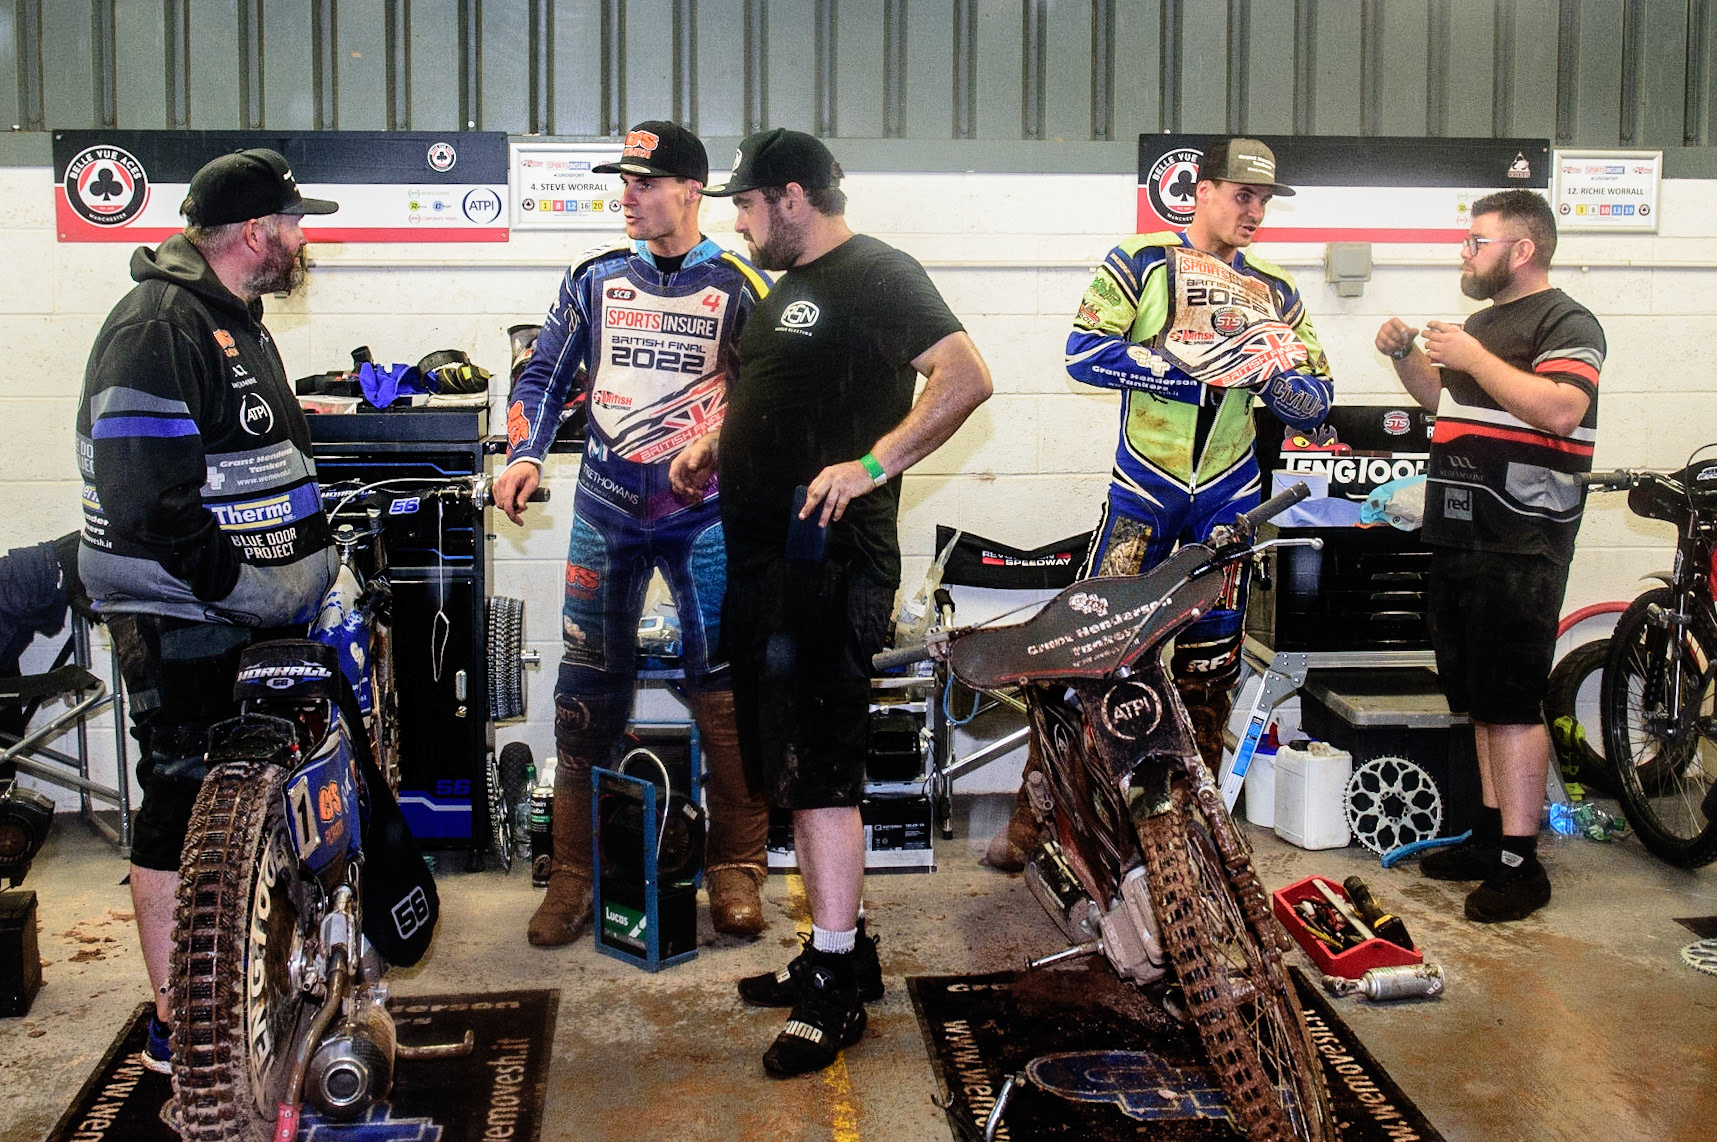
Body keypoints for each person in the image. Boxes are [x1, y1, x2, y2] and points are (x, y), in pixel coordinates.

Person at [672, 128, 992, 1077]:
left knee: (821, 775)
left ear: (793, 195)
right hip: (766, 566)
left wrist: (870, 464)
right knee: (795, 768)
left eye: (745, 203)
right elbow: (775, 394)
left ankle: (835, 985)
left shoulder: (879, 273)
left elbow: (967, 377)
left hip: (830, 566)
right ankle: (834, 952)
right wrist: (712, 443)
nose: (736, 220)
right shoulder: (787, 293)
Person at [986, 137, 1334, 871]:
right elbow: (1083, 351)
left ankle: (1195, 829)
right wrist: (1189, 368)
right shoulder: (1138, 259)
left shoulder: (1278, 290)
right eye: (1241, 194)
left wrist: (1272, 381)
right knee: (1088, 658)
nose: (1255, 210)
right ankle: (1036, 815)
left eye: (1265, 199)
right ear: (1199, 190)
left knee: (1209, 673)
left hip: (1229, 505)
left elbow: (1315, 403)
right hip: (1140, 497)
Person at [74, 148, 340, 1072]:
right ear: (259, 232)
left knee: (226, 800)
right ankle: (174, 1022)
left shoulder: (231, 318)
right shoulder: (158, 323)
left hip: (234, 611)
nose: (306, 240)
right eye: (299, 224)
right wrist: (236, 587)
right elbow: (147, 496)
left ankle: (230, 983)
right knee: (182, 798)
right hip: (186, 611)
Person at [494, 121, 775, 943]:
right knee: (585, 694)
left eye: (644, 183)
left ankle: (735, 867)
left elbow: (770, 400)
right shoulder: (592, 278)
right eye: (624, 182)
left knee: (722, 691)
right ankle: (576, 875)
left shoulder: (741, 283)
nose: (628, 196)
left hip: (706, 515)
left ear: (692, 190)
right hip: (606, 509)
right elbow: (543, 372)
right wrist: (522, 454)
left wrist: (729, 449)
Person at [1376, 189, 1603, 923]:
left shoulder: (1564, 321)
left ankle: (1520, 862)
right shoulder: (1481, 322)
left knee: (1510, 703)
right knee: (1475, 698)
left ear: (1522, 249)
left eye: (1476, 241)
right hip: (1462, 534)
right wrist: (1407, 357)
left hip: (1521, 541)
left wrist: (1474, 354)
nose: (1464, 253)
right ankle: (1484, 835)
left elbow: (1560, 410)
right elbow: (1447, 403)